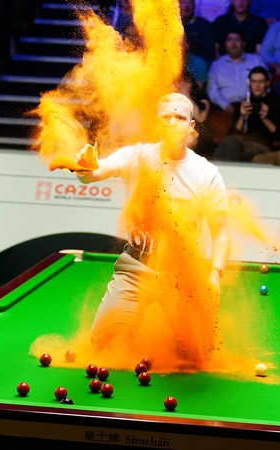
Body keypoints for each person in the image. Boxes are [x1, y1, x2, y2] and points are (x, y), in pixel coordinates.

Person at [70, 93, 230, 362]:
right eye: (165, 117)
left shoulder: (207, 173)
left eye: (180, 117)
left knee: (198, 355)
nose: (172, 122)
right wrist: (84, 167)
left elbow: (221, 232)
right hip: (136, 267)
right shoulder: (135, 157)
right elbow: (94, 173)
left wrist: (215, 274)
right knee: (104, 344)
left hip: (182, 274)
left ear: (192, 127)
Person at [213, 67, 280, 161]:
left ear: (267, 83)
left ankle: (224, 173)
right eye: (254, 81)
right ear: (249, 83)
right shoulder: (245, 103)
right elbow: (232, 133)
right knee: (228, 143)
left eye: (261, 81)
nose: (257, 85)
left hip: (263, 144)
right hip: (242, 142)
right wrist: (242, 116)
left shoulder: (277, 102)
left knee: (226, 148)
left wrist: (265, 118)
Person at [207, 29, 267, 112]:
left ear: (244, 43)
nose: (233, 43)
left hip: (252, 104)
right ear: (225, 44)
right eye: (230, 39)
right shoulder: (217, 65)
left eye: (237, 39)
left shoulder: (256, 61)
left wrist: (254, 102)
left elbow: (266, 84)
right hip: (224, 107)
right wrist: (226, 106)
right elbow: (212, 90)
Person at [181, 0, 216, 66]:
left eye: (190, 2)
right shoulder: (172, 25)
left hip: (199, 64)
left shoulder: (204, 24)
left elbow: (210, 50)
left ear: (194, 5)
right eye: (183, 2)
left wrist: (198, 64)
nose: (186, 6)